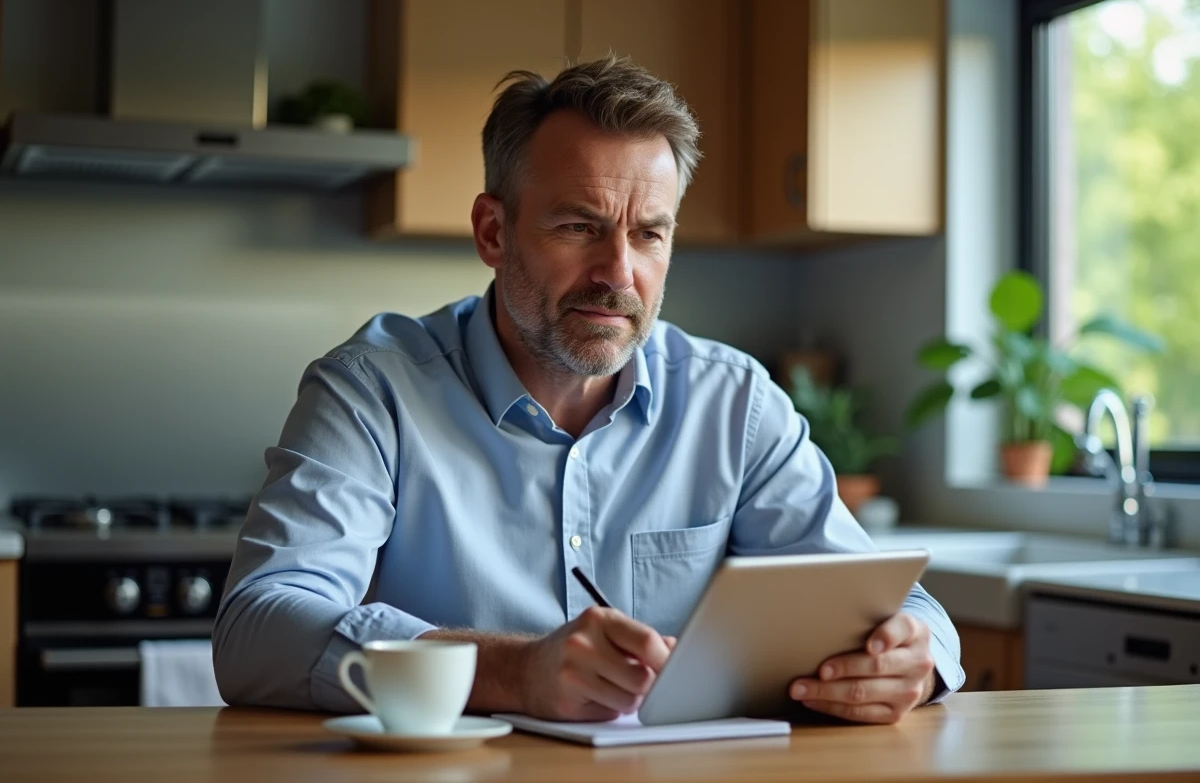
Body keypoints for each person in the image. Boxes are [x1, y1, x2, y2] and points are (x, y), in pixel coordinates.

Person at [213, 56, 964, 726]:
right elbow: (258, 630)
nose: (618, 273)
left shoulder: (735, 404)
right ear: (492, 232)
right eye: (579, 226)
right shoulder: (373, 390)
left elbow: (890, 602)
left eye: (649, 234)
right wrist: (511, 671)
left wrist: (912, 658)